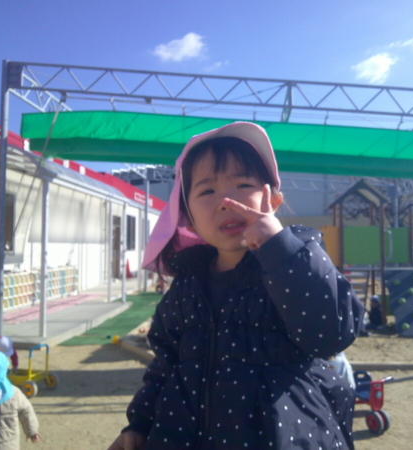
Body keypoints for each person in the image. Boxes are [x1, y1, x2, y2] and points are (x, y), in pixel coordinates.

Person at [108, 122, 365, 450]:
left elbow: (333, 334)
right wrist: (140, 424)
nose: (227, 201)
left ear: (273, 201)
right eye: (207, 191)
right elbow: (165, 365)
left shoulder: (296, 257)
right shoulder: (186, 284)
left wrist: (280, 250)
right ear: (189, 219)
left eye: (243, 184)